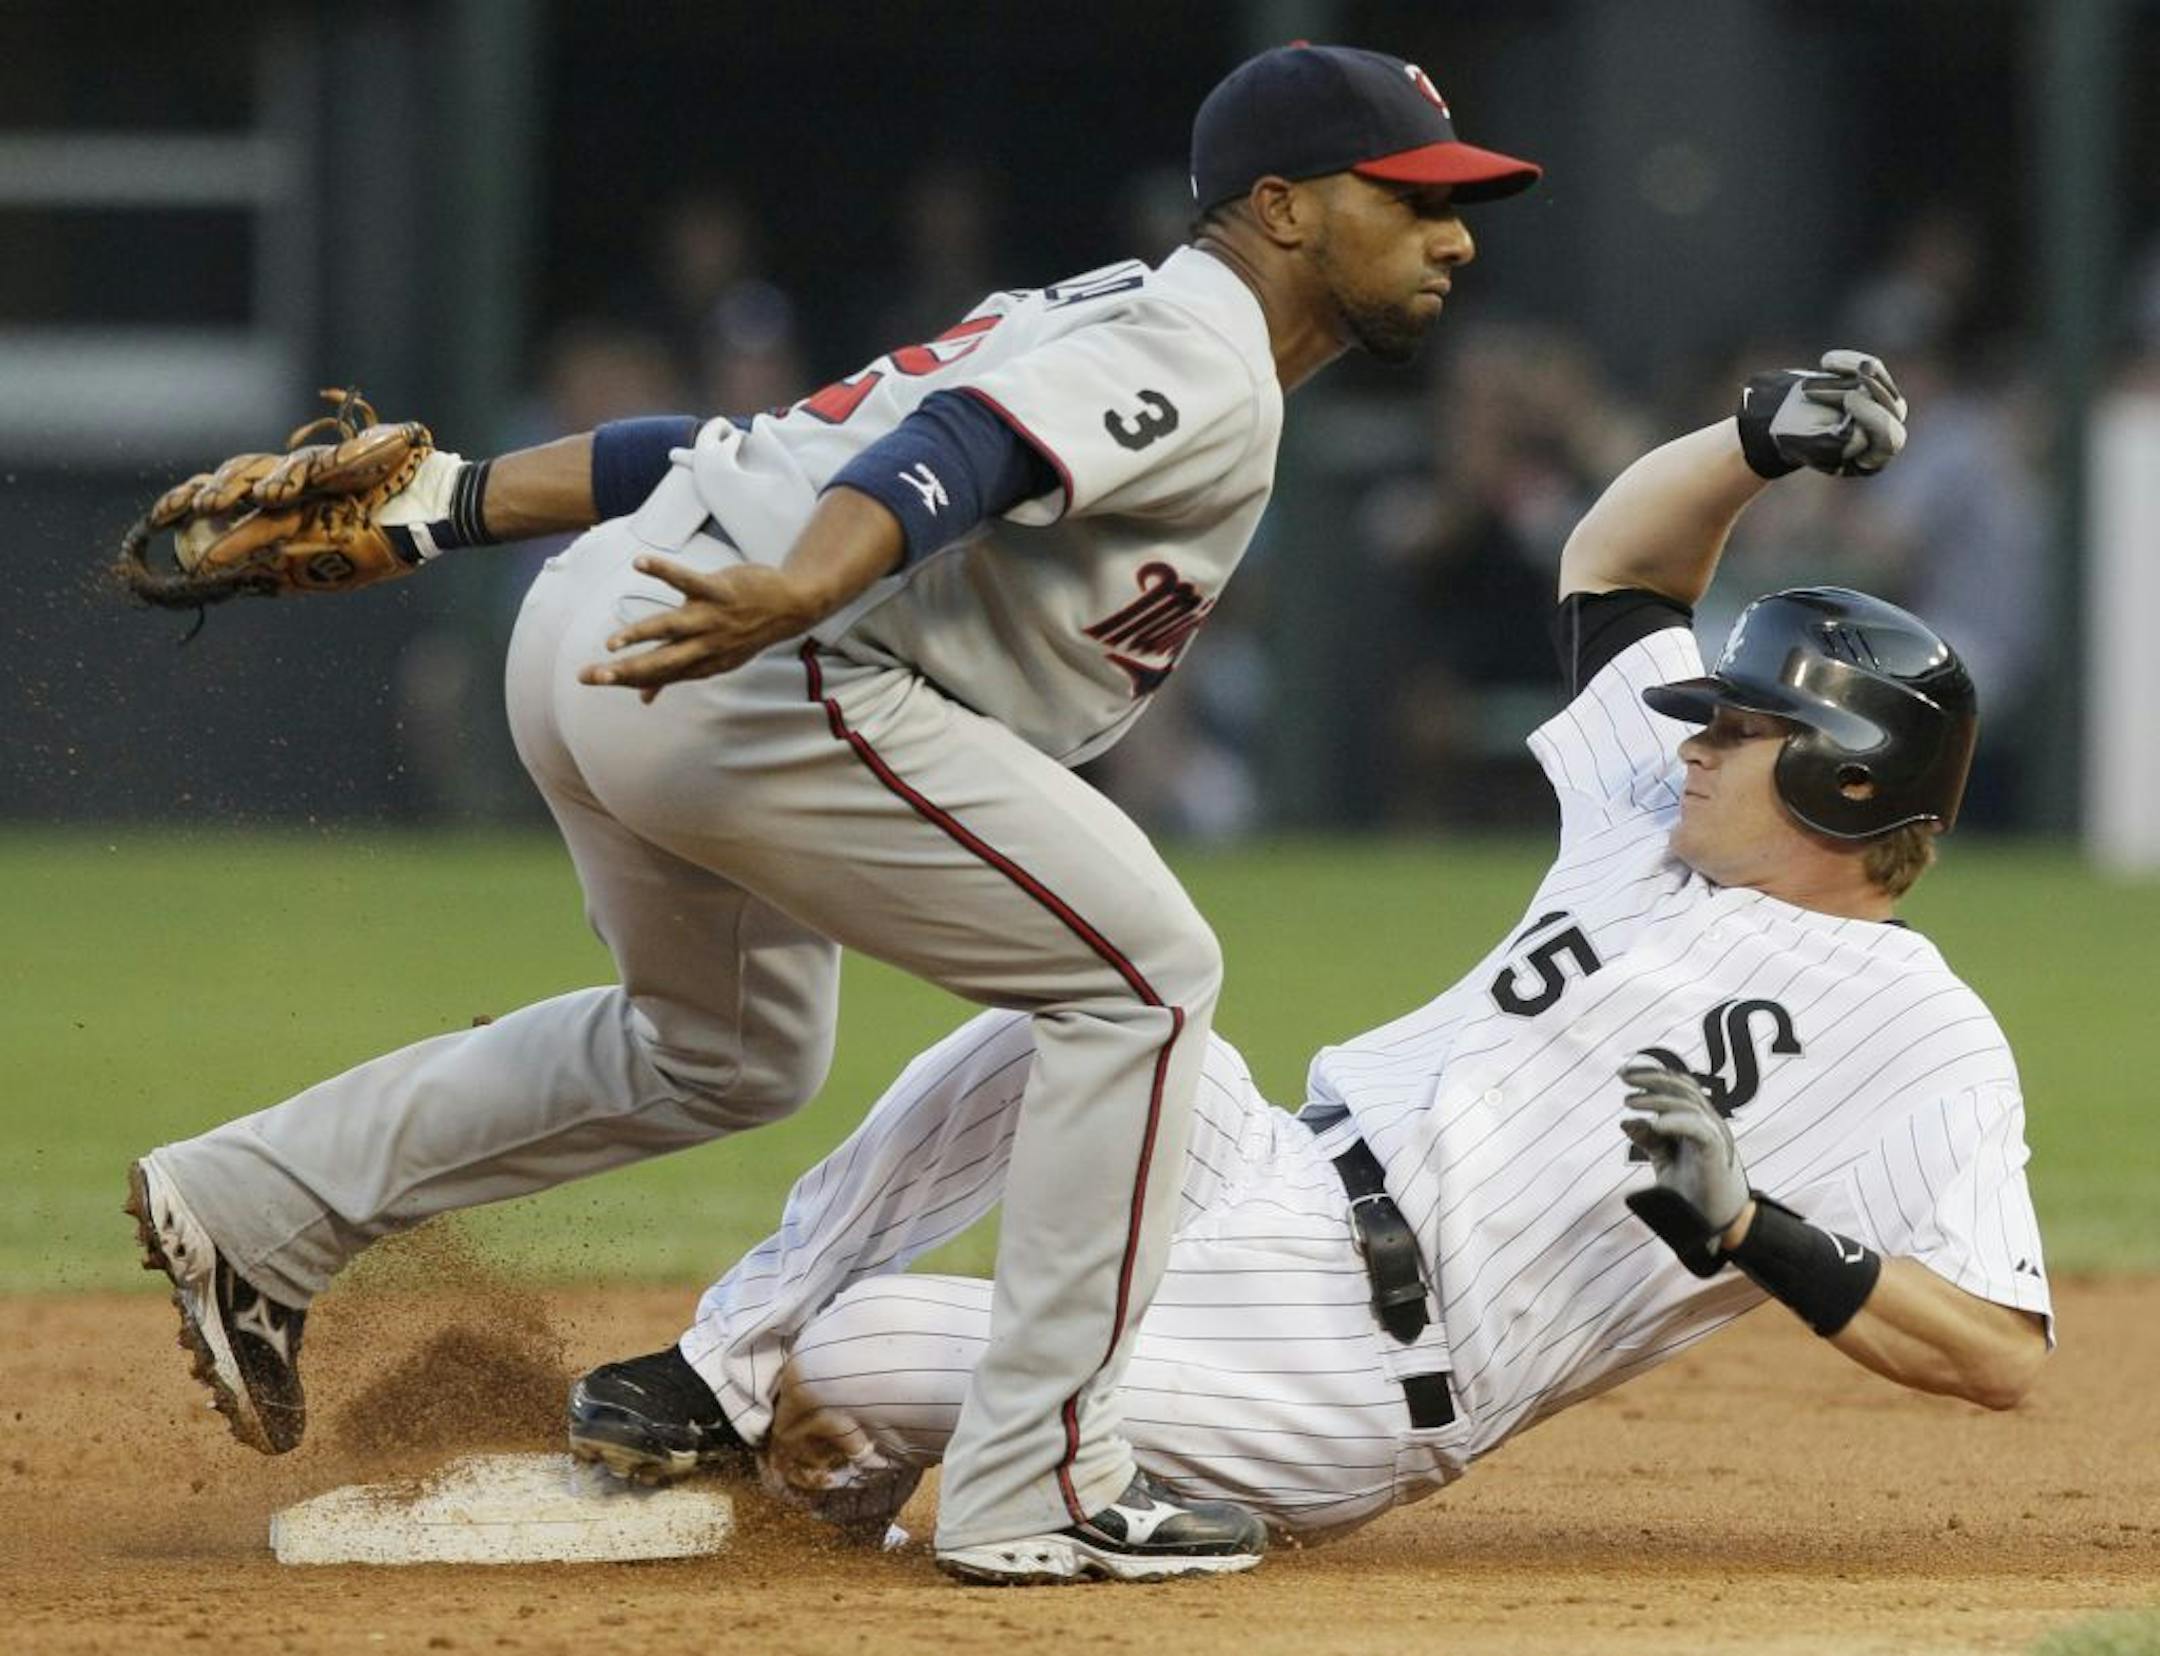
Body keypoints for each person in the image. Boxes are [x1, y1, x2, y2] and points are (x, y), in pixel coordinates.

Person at [123, 44, 1541, 1585]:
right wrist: (804, 587)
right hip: (753, 659)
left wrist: (460, 502)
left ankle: (256, 1203)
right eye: (1409, 198)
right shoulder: (1200, 345)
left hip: (619, 622)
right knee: (1142, 980)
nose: (1452, 234)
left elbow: (739, 449)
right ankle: (1040, 1482)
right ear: (1280, 206)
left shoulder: (1103, 312)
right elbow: (954, 456)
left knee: (725, 1047)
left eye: (1455, 202)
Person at [558, 353, 2052, 1565]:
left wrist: (1752, 1232)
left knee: (871, 1348)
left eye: (1743, 727)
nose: (1699, 740)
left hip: (1353, 1368)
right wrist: (1754, 437)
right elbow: (1618, 570)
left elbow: (1999, 1350)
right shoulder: (1651, 823)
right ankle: (726, 1367)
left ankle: (795, 1544)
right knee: (1090, 1017)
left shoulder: (1923, 1028)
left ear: (1847, 783)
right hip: (1274, 1171)